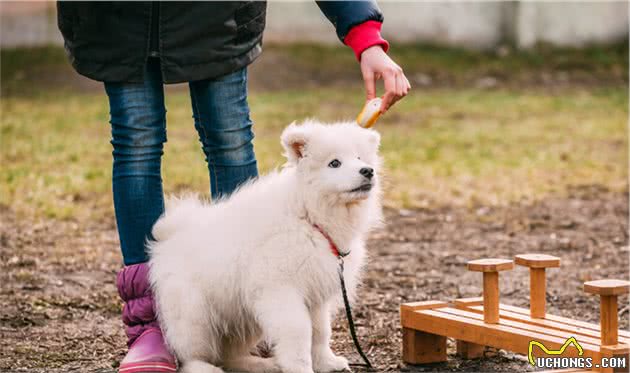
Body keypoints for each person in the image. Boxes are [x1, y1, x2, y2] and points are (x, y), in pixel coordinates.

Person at [57, 2, 409, 372]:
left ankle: (256, 319)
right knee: (137, 144)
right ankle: (150, 323)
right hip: (117, 17)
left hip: (214, 16)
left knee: (230, 142)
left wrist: (365, 37)